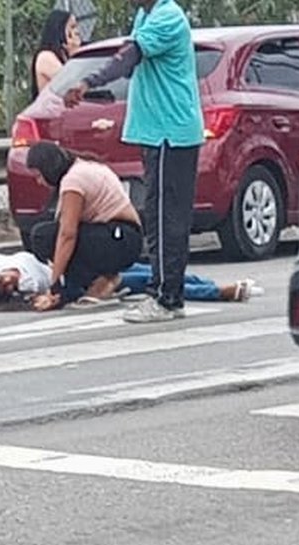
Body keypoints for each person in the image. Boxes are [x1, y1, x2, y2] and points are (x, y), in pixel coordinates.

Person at [63, 0, 204, 323]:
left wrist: (88, 82)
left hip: (172, 133)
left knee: (167, 218)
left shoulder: (168, 16)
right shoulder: (145, 14)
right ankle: (164, 290)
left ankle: (167, 298)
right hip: (156, 132)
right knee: (156, 215)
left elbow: (129, 55)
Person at [24, 141, 143, 312]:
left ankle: (104, 281)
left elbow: (67, 234)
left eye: (39, 175)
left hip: (119, 238)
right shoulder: (85, 166)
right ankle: (95, 282)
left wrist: (55, 284)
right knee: (50, 233)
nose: (39, 181)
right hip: (126, 238)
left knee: (43, 236)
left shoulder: (74, 180)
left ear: (49, 169)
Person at [0, 252, 260, 311]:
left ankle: (208, 283)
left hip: (89, 262)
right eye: (7, 287)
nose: (10, 279)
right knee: (149, 281)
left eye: (1, 279)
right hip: (89, 280)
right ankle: (219, 292)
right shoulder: (29, 289)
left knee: (153, 269)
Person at [31, 9, 83, 99]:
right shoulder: (46, 56)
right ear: (59, 29)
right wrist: (75, 55)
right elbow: (71, 82)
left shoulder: (64, 55)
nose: (77, 32)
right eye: (72, 27)